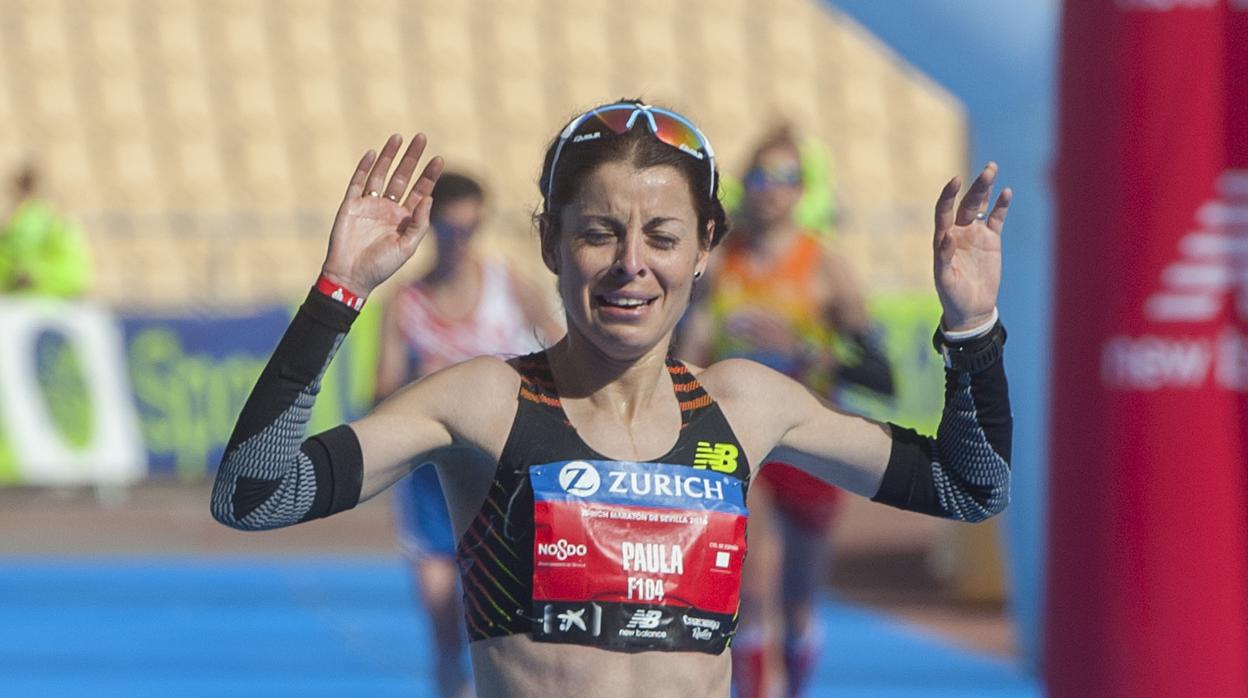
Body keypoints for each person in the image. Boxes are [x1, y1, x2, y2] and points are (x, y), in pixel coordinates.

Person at [211, 99, 1012, 697]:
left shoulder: (749, 405)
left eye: (662, 237)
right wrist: (338, 292)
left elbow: (969, 486)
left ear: (704, 248)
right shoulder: (485, 401)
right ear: (550, 243)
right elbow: (254, 495)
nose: (632, 264)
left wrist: (973, 327)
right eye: (599, 234)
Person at [680, 126, 895, 697]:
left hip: (811, 438)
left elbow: (883, 378)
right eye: (758, 177)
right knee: (754, 591)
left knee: (799, 604)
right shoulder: (722, 265)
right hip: (743, 441)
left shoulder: (826, 268)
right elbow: (687, 353)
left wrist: (801, 348)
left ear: (802, 191)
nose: (769, 190)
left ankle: (795, 684)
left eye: (783, 179)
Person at [374, 171, 560, 698]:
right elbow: (380, 397)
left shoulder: (509, 284)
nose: (462, 241)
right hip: (433, 484)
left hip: (503, 483)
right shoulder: (406, 305)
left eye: (471, 228)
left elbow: (567, 355)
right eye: (451, 230)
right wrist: (422, 379)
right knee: (444, 629)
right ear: (433, 229)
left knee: (506, 631)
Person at [0, 164, 91, 297]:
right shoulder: (57, 222)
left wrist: (34, 278)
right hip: (42, 299)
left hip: (39, 300)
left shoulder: (36, 222)